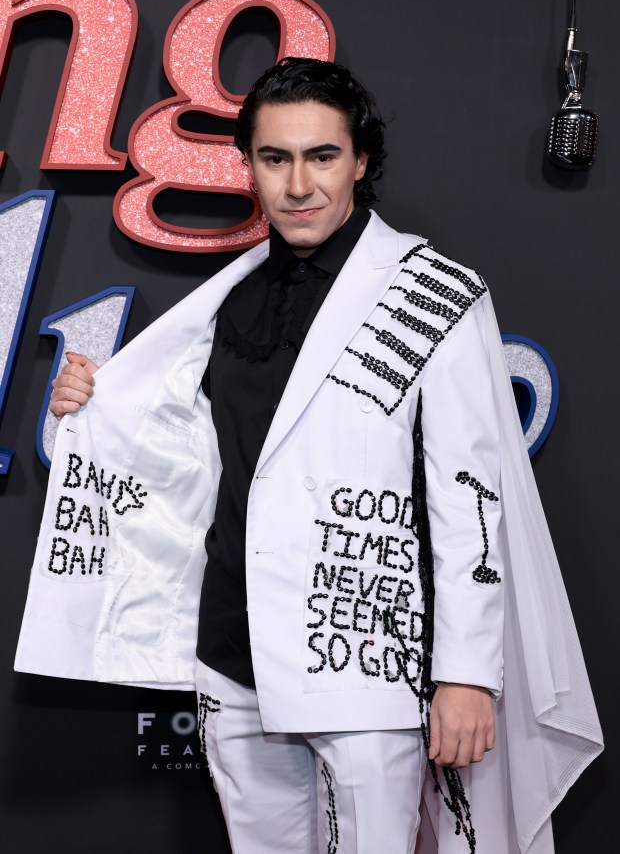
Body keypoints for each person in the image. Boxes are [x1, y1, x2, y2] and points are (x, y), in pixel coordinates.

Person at [15, 59, 602, 853]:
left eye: (321, 156)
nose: (298, 184)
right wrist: (93, 405)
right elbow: (196, 457)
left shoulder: (435, 292)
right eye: (275, 158)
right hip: (231, 653)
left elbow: (469, 495)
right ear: (248, 165)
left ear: (360, 160)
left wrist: (468, 672)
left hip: (368, 656)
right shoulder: (233, 296)